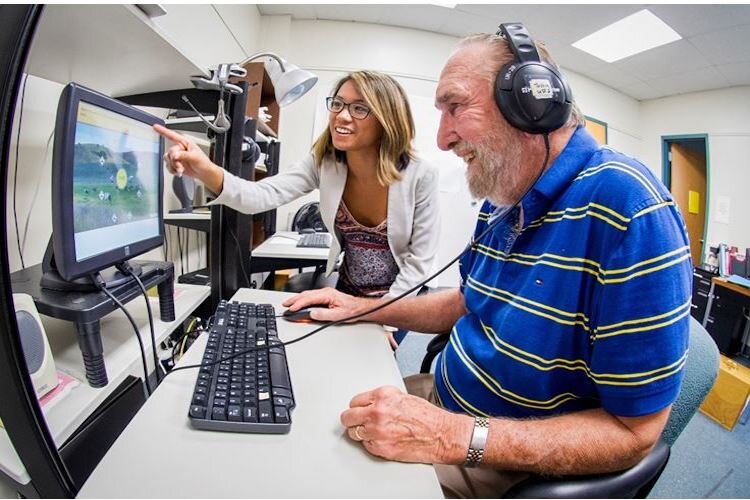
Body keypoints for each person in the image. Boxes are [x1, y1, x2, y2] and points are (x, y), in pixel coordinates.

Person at [282, 29, 692, 498]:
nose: (441, 138)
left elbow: (635, 435)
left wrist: (450, 436)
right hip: (443, 400)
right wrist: (363, 309)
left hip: (500, 456)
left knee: (315, 482)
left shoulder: (628, 209)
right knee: (304, 417)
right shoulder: (503, 201)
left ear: (531, 102)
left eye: (455, 107)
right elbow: (468, 302)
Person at [155, 71, 440, 346]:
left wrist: (386, 319)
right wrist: (205, 171)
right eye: (338, 103)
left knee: (374, 369)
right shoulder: (324, 162)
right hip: (346, 291)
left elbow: (418, 264)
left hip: (400, 300)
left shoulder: (420, 175)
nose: (341, 115)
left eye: (359, 108)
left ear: (387, 119)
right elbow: (259, 195)